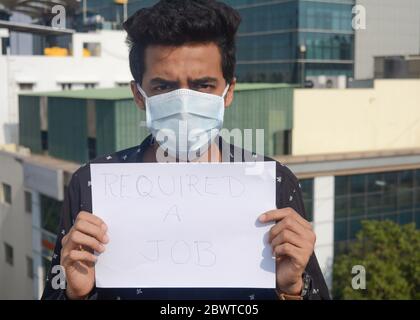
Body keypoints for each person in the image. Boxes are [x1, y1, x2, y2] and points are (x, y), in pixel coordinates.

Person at [42, 0, 330, 300]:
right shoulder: (91, 186)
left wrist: (293, 288)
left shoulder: (275, 184)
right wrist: (76, 294)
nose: (183, 101)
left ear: (228, 92)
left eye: (203, 85)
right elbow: (55, 292)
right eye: (163, 87)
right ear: (138, 95)